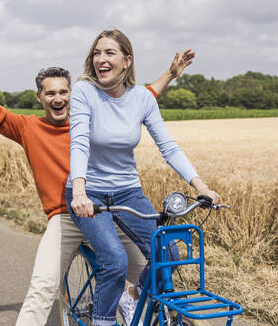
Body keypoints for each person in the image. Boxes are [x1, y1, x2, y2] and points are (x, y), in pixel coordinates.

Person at [0, 39, 195, 326]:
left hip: (106, 212)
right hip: (65, 217)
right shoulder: (28, 127)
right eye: (50, 93)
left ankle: (129, 296)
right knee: (42, 290)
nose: (58, 98)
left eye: (63, 92)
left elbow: (141, 97)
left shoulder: (92, 118)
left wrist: (171, 73)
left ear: (72, 94)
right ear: (40, 97)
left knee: (159, 268)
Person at [66, 29, 219, 326]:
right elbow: (79, 141)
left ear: (126, 61)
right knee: (115, 260)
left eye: (109, 53)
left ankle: (132, 295)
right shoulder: (85, 92)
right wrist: (80, 191)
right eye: (97, 53)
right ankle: (102, 319)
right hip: (89, 192)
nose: (101, 59)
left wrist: (200, 185)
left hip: (127, 192)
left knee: (170, 252)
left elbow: (168, 147)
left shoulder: (142, 98)